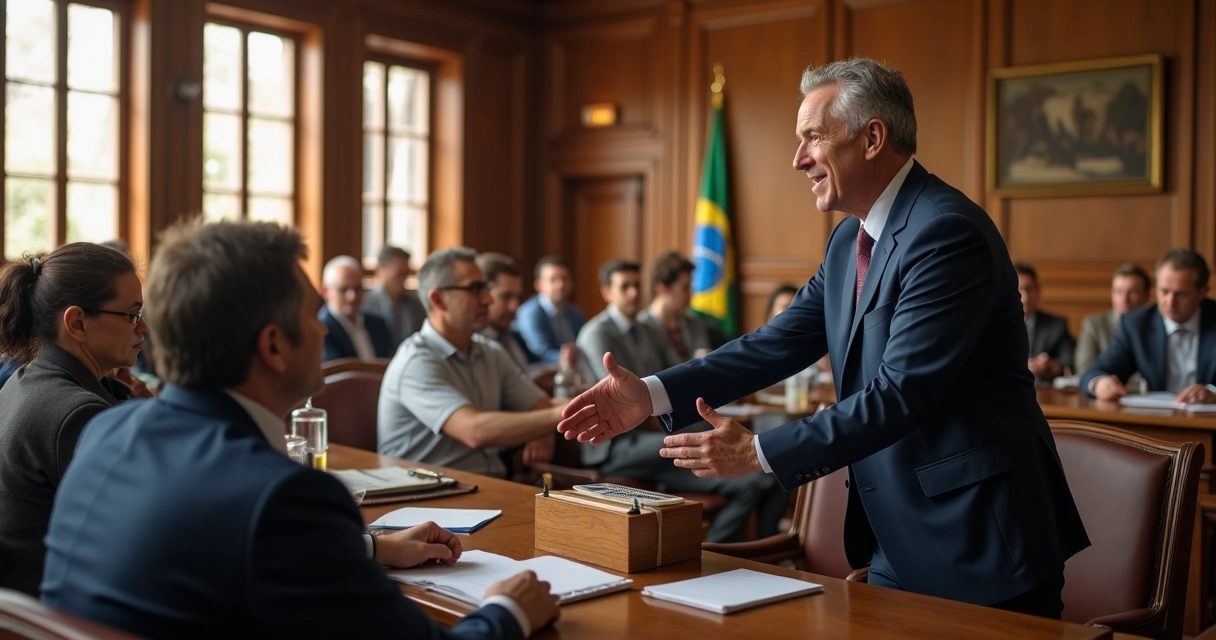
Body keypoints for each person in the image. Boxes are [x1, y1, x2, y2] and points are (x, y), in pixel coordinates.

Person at [558, 58, 1088, 618]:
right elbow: (776, 343)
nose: (798, 159)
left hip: (980, 537)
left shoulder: (945, 233)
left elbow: (900, 395)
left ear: (872, 137)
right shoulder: (846, 242)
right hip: (897, 538)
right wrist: (652, 393)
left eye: (812, 137)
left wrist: (760, 451)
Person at [41, 221, 559, 639]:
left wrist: (373, 546)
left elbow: (232, 544)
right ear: (273, 346)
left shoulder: (109, 431)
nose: (325, 329)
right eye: (313, 315)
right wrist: (508, 611)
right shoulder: (288, 496)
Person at [576, 259, 782, 543]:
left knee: (769, 469)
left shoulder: (647, 330)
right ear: (606, 292)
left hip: (655, 431)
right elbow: (619, 401)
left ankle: (760, 553)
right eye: (625, 287)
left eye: (637, 285)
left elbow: (665, 383)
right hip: (615, 443)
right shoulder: (596, 332)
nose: (634, 293)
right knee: (751, 480)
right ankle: (717, 557)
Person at [0, 243, 146, 596]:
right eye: (132, 314)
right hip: (58, 619)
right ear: (78, 323)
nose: (144, 327)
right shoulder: (77, 415)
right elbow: (141, 532)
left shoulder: (26, 381)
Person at [378, 248, 564, 477]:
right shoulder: (415, 362)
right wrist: (561, 416)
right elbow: (474, 431)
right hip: (427, 498)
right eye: (475, 289)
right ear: (438, 299)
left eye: (485, 287)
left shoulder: (490, 352)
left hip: (491, 487)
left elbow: (540, 407)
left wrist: (543, 433)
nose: (488, 299)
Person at [1081, 249, 1216, 403]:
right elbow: (1095, 371)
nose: (1170, 302)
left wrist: (1213, 392)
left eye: (1181, 294)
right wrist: (1100, 383)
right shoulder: (1137, 324)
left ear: (1203, 292)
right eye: (1164, 291)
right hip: (1157, 418)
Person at [637, 251, 727, 362]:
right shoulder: (639, 329)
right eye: (685, 288)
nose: (690, 295)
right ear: (662, 289)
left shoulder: (696, 324)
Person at [1074, 263, 1152, 373]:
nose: (1124, 299)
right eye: (1119, 291)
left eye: (1132, 292)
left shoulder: (1155, 324)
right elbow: (1085, 368)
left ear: (1147, 296)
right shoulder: (1094, 324)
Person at [319, 255, 395, 361]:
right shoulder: (320, 330)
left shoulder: (378, 323)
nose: (352, 297)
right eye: (343, 289)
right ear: (326, 291)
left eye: (358, 288)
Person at [477, 252, 539, 372]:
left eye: (517, 297)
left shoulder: (513, 336)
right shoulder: (471, 345)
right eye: (506, 296)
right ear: (484, 295)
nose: (514, 306)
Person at [515, 256, 584, 363]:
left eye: (565, 279)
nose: (560, 285)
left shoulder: (576, 313)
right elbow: (540, 352)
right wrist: (565, 359)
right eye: (553, 279)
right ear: (539, 285)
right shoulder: (530, 313)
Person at [1015, 263, 1076, 381]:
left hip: (1045, 390)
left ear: (1038, 291)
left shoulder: (1057, 324)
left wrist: (1051, 366)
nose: (1025, 296)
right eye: (1019, 289)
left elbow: (1070, 360)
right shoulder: (995, 325)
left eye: (1029, 289)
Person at [364, 246, 428, 348]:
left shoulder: (417, 305)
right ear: (380, 271)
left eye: (406, 274)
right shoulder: (364, 304)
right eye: (398, 274)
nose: (403, 280)